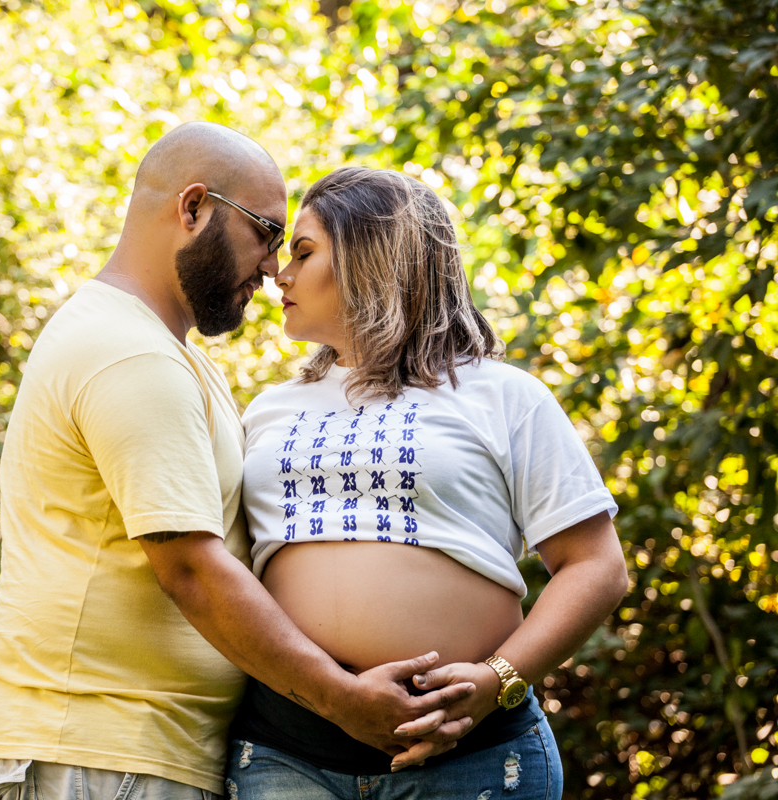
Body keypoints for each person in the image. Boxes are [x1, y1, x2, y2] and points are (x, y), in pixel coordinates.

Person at [0, 127, 475, 800]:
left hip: (128, 757)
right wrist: (343, 700)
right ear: (195, 208)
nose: (272, 267)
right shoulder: (130, 354)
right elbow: (192, 570)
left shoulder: (163, 351)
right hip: (96, 757)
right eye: (265, 232)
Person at [225, 166, 630, 799]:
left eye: (304, 252)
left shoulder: (503, 395)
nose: (279, 272)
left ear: (373, 258)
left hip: (469, 760)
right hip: (287, 753)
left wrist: (498, 682)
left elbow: (596, 568)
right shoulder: (268, 409)